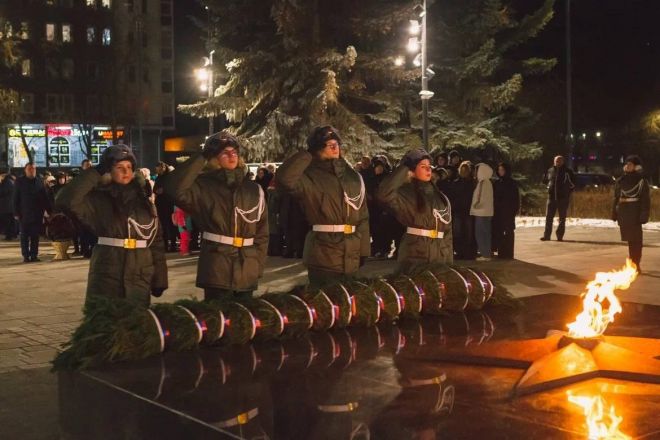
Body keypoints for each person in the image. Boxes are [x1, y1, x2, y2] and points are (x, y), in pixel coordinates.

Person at [56, 145, 168, 305]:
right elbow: (65, 200)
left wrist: (159, 278)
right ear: (108, 170)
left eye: (129, 167)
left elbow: (156, 240)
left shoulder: (143, 202)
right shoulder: (96, 199)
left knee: (136, 325)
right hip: (109, 273)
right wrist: (97, 171)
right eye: (119, 167)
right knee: (106, 323)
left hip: (139, 274)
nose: (125, 171)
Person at [164, 131, 268, 302]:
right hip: (217, 268)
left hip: (247, 267)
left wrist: (257, 265)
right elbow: (173, 189)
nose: (231, 156)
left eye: (234, 152)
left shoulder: (253, 189)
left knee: (245, 323)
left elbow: (262, 232)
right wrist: (202, 155)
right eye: (224, 153)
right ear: (213, 158)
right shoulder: (202, 186)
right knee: (219, 322)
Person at [277, 126, 369, 287]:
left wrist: (363, 250)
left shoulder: (353, 177)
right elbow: (284, 179)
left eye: (337, 143)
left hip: (351, 253)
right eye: (328, 145)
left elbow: (362, 216)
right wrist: (307, 154)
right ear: (317, 149)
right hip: (324, 253)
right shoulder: (308, 176)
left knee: (349, 304)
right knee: (326, 305)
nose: (335, 147)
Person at [377, 148, 453, 272]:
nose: (428, 169)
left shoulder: (441, 197)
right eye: (423, 166)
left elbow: (448, 233)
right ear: (412, 171)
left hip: (440, 255)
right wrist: (405, 167)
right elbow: (384, 194)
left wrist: (449, 264)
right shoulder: (406, 194)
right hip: (416, 254)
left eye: (429, 166)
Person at [612, 155, 650, 274]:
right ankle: (632, 262)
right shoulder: (621, 180)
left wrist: (644, 214)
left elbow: (645, 199)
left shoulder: (641, 181)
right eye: (627, 164)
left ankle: (636, 263)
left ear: (636, 167)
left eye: (630, 164)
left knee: (636, 240)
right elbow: (616, 198)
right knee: (630, 239)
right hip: (624, 212)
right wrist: (614, 212)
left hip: (635, 212)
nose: (627, 166)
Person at [13, 163, 52, 262]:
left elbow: (44, 198)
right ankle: (26, 256)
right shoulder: (19, 182)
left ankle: (34, 255)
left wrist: (49, 210)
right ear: (25, 170)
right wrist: (16, 212)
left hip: (37, 213)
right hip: (24, 213)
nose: (32, 170)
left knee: (35, 236)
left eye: (34, 169)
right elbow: (15, 198)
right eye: (30, 169)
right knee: (24, 236)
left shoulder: (39, 182)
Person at [541, 155, 575, 241]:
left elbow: (573, 184)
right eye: (556, 161)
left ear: (563, 161)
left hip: (562, 199)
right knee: (548, 217)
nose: (557, 162)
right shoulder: (550, 170)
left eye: (559, 161)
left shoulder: (568, 172)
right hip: (551, 198)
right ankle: (546, 236)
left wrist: (567, 193)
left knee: (562, 218)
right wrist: (548, 187)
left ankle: (559, 236)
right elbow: (545, 181)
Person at [450, 161, 477, 260]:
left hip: (469, 211)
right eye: (462, 169)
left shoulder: (472, 183)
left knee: (468, 233)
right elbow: (452, 196)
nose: (464, 171)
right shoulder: (456, 183)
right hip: (458, 211)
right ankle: (459, 251)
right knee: (458, 232)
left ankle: (468, 252)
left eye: (466, 170)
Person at [493, 162, 520, 259]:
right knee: (500, 232)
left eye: (502, 170)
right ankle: (501, 252)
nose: (500, 172)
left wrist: (514, 211)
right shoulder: (497, 183)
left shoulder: (512, 183)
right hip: (498, 212)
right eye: (499, 170)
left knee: (508, 232)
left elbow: (516, 198)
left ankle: (508, 253)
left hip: (508, 212)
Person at [470, 163, 494, 261]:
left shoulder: (482, 183)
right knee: (486, 233)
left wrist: (475, 205)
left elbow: (479, 197)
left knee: (480, 233)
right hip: (487, 212)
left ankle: (485, 254)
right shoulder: (488, 182)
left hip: (481, 212)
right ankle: (486, 253)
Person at [154, 162, 178, 252]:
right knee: (163, 225)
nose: (157, 170)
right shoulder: (158, 178)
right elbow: (155, 189)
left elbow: (172, 188)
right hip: (161, 204)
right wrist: (157, 191)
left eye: (159, 168)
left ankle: (172, 244)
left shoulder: (170, 177)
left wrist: (163, 190)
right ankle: (165, 245)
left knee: (171, 224)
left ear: (163, 167)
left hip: (169, 203)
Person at [0, 173, 17, 240]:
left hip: (6, 206)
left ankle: (9, 236)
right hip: (10, 206)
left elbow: (2, 192)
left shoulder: (7, 183)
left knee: (7, 222)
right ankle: (12, 234)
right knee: (11, 221)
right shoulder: (12, 182)